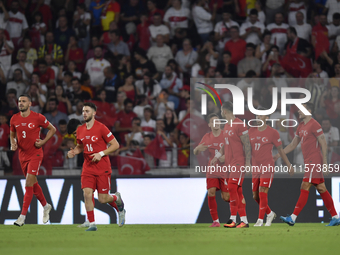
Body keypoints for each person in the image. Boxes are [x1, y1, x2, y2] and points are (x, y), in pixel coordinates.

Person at [276, 103, 340, 226]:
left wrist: (325, 163)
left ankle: (293, 218)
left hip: (314, 160)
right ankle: (335, 217)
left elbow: (324, 143)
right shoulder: (300, 126)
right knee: (321, 189)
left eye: (301, 109)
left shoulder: (314, 124)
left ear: (309, 111)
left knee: (304, 186)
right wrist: (280, 154)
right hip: (309, 161)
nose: (299, 112)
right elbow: (293, 144)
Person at [66, 102, 125, 231]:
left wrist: (101, 153)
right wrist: (74, 152)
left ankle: (116, 198)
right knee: (87, 194)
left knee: (103, 199)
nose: (85, 113)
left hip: (102, 166)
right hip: (88, 167)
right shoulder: (80, 129)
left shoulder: (101, 128)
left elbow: (115, 145)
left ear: (94, 113)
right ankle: (92, 224)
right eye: (83, 111)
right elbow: (81, 145)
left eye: (87, 111)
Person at [10, 94, 56, 226]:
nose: (21, 103)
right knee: (33, 184)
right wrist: (12, 142)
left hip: (35, 154)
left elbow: (52, 129)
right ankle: (46, 206)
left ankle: (22, 217)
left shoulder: (38, 117)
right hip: (22, 155)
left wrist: (43, 142)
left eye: (24, 101)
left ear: (30, 104)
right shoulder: (14, 118)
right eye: (19, 101)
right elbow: (12, 133)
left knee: (29, 183)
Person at [249, 109, 293, 227]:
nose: (258, 117)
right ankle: (269, 213)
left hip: (267, 165)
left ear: (267, 118)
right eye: (257, 115)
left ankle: (260, 220)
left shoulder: (273, 132)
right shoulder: (251, 131)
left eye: (261, 115)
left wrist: (288, 165)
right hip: (255, 167)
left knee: (263, 191)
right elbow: (247, 149)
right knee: (255, 196)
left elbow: (280, 150)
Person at [211, 101, 251, 228]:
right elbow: (224, 144)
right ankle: (244, 221)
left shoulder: (240, 125)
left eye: (222, 111)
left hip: (238, 162)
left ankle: (232, 219)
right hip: (228, 164)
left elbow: (247, 144)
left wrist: (248, 163)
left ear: (225, 111)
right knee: (238, 191)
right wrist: (217, 156)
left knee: (232, 187)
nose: (221, 113)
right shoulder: (227, 126)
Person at [194, 113, 229, 227]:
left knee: (226, 197)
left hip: (225, 171)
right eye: (213, 121)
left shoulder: (226, 135)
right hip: (212, 170)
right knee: (211, 192)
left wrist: (226, 157)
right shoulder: (207, 137)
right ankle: (216, 221)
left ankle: (240, 206)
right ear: (209, 124)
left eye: (217, 121)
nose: (216, 123)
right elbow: (196, 152)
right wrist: (197, 149)